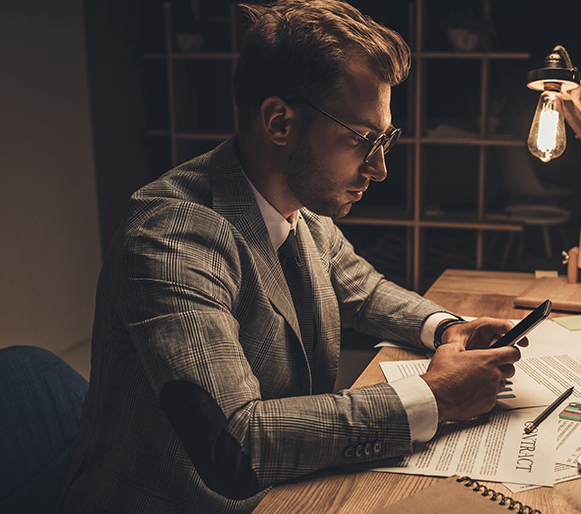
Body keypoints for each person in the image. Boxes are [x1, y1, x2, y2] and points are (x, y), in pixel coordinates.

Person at [59, 1, 524, 512]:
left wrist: (446, 327)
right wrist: (434, 398)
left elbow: (364, 292)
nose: (381, 168)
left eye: (384, 138)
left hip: (286, 492)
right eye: (362, 139)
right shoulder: (174, 235)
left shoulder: (303, 204)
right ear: (279, 122)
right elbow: (234, 441)